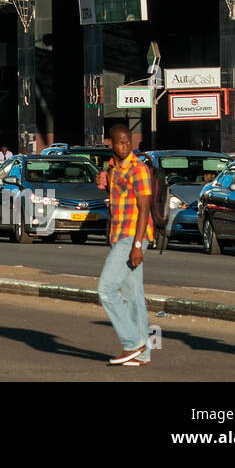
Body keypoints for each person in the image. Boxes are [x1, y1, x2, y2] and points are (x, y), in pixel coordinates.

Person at [95, 124, 154, 365]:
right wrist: (106, 183)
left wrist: (138, 245)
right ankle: (143, 353)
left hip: (133, 236)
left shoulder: (138, 169)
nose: (125, 146)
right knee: (133, 294)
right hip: (119, 235)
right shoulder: (114, 168)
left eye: (128, 142)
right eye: (120, 143)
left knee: (106, 289)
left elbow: (144, 207)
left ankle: (132, 343)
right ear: (112, 143)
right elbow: (121, 196)